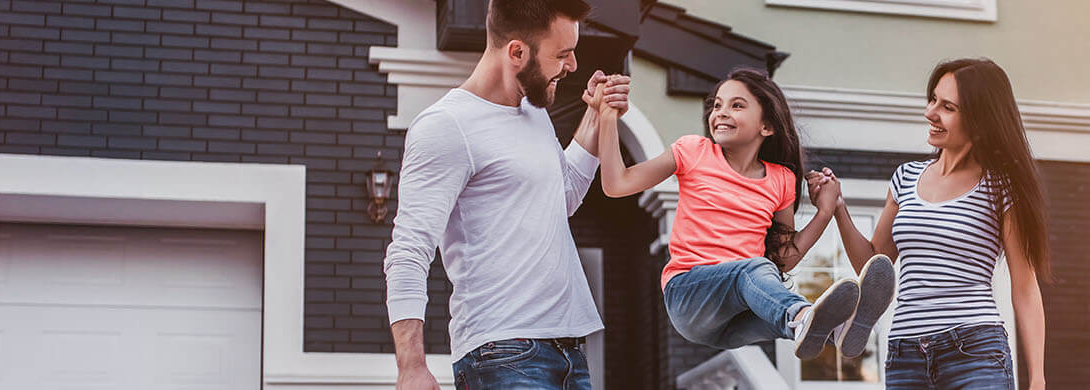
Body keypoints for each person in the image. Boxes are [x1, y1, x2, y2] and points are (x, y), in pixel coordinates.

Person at [380, 1, 631, 389]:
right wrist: (411, 366)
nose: (573, 66)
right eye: (562, 54)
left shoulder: (534, 113)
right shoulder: (446, 126)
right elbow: (409, 250)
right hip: (502, 354)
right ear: (517, 52)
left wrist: (597, 115)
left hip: (568, 351)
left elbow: (561, 198)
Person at [589, 68, 895, 359]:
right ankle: (802, 315)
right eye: (717, 105)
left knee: (778, 309)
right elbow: (617, 184)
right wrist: (607, 117)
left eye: (736, 105)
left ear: (767, 126)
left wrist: (825, 212)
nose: (720, 112)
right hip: (688, 296)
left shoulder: (781, 179)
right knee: (756, 274)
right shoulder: (693, 152)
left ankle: (839, 329)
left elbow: (783, 258)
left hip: (734, 317)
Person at [813, 58, 1050, 389]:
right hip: (906, 354)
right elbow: (873, 265)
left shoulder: (1001, 188)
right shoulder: (906, 178)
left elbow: (1025, 287)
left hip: (975, 350)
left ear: (979, 120)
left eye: (947, 107)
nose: (930, 113)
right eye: (933, 100)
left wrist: (1037, 377)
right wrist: (838, 207)